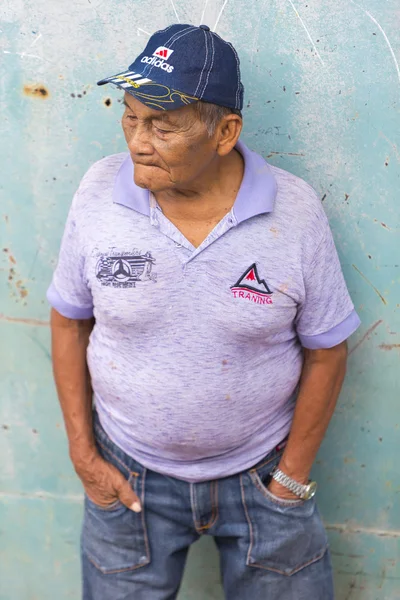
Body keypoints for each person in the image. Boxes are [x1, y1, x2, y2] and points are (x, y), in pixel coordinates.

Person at [47, 23, 361, 600]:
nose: (138, 141)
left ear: (225, 132)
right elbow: (69, 321)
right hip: (127, 474)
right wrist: (83, 455)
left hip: (263, 479)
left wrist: (289, 481)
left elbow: (327, 352)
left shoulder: (293, 212)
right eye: (131, 116)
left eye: (163, 126)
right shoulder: (97, 193)